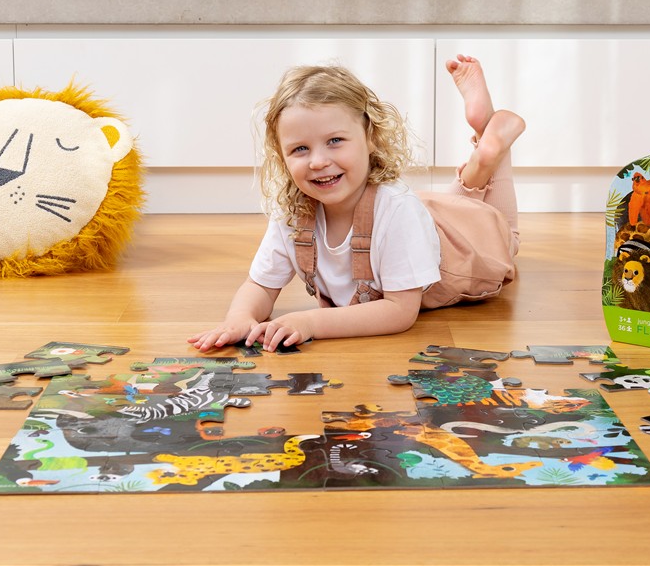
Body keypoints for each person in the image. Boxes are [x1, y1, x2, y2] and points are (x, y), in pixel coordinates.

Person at [188, 54, 525, 353]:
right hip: (422, 218)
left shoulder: (398, 209)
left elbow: (400, 311)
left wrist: (310, 322)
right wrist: (240, 318)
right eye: (300, 149)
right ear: (282, 156)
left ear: (371, 137)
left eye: (335, 141)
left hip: (465, 249)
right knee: (448, 209)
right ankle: (484, 151)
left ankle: (492, 143)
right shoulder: (292, 213)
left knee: (503, 233)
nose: (318, 161)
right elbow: (261, 285)